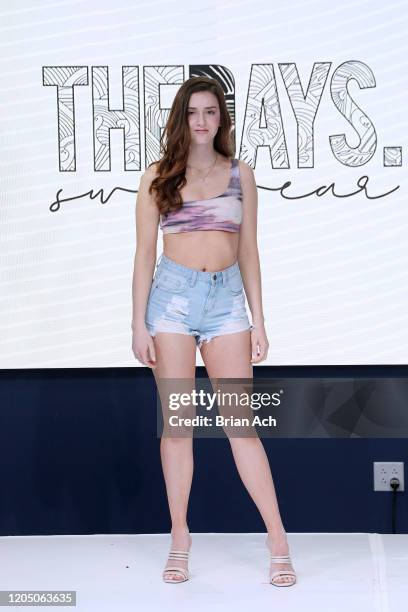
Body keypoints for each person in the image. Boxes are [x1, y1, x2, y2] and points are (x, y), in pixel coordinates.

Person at [131, 76, 296, 587]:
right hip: (172, 303)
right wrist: (138, 323)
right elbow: (143, 255)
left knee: (240, 426)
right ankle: (180, 537)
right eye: (193, 112)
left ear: (220, 119)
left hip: (226, 303)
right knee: (178, 427)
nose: (202, 121)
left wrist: (259, 320)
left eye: (210, 112)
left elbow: (249, 251)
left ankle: (278, 540)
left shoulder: (240, 174)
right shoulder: (159, 175)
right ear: (180, 119)